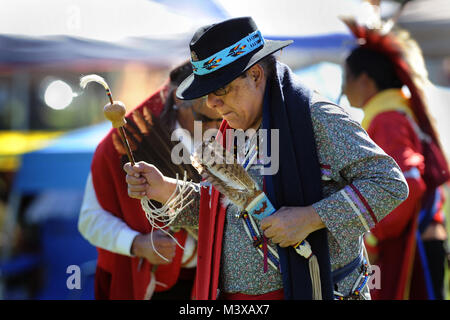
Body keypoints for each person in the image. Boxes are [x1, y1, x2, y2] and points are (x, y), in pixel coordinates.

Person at [124, 16, 409, 300]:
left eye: (220, 89)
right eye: (207, 94)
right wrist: (164, 189)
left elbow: (389, 182)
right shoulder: (232, 132)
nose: (212, 103)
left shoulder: (316, 118)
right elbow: (229, 210)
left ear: (256, 75)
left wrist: (310, 218)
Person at [78, 60, 222, 300]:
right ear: (178, 99)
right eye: (205, 119)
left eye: (222, 119)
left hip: (207, 282)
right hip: (143, 283)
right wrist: (136, 243)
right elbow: (89, 219)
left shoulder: (232, 134)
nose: (216, 129)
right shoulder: (124, 144)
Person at [342, 18, 449, 300]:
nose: (343, 89)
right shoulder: (393, 113)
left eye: (346, 78)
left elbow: (409, 183)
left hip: (412, 248)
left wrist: (374, 237)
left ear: (364, 80)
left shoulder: (388, 119)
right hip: (414, 242)